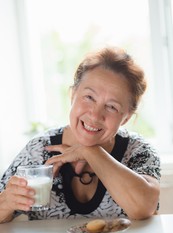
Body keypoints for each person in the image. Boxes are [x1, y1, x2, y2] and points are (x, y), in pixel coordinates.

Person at [0, 47, 160, 223]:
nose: (95, 115)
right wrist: (7, 203)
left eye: (112, 106)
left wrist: (90, 152)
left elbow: (144, 208)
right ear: (73, 95)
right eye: (89, 97)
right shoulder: (39, 149)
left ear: (126, 118)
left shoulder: (138, 151)